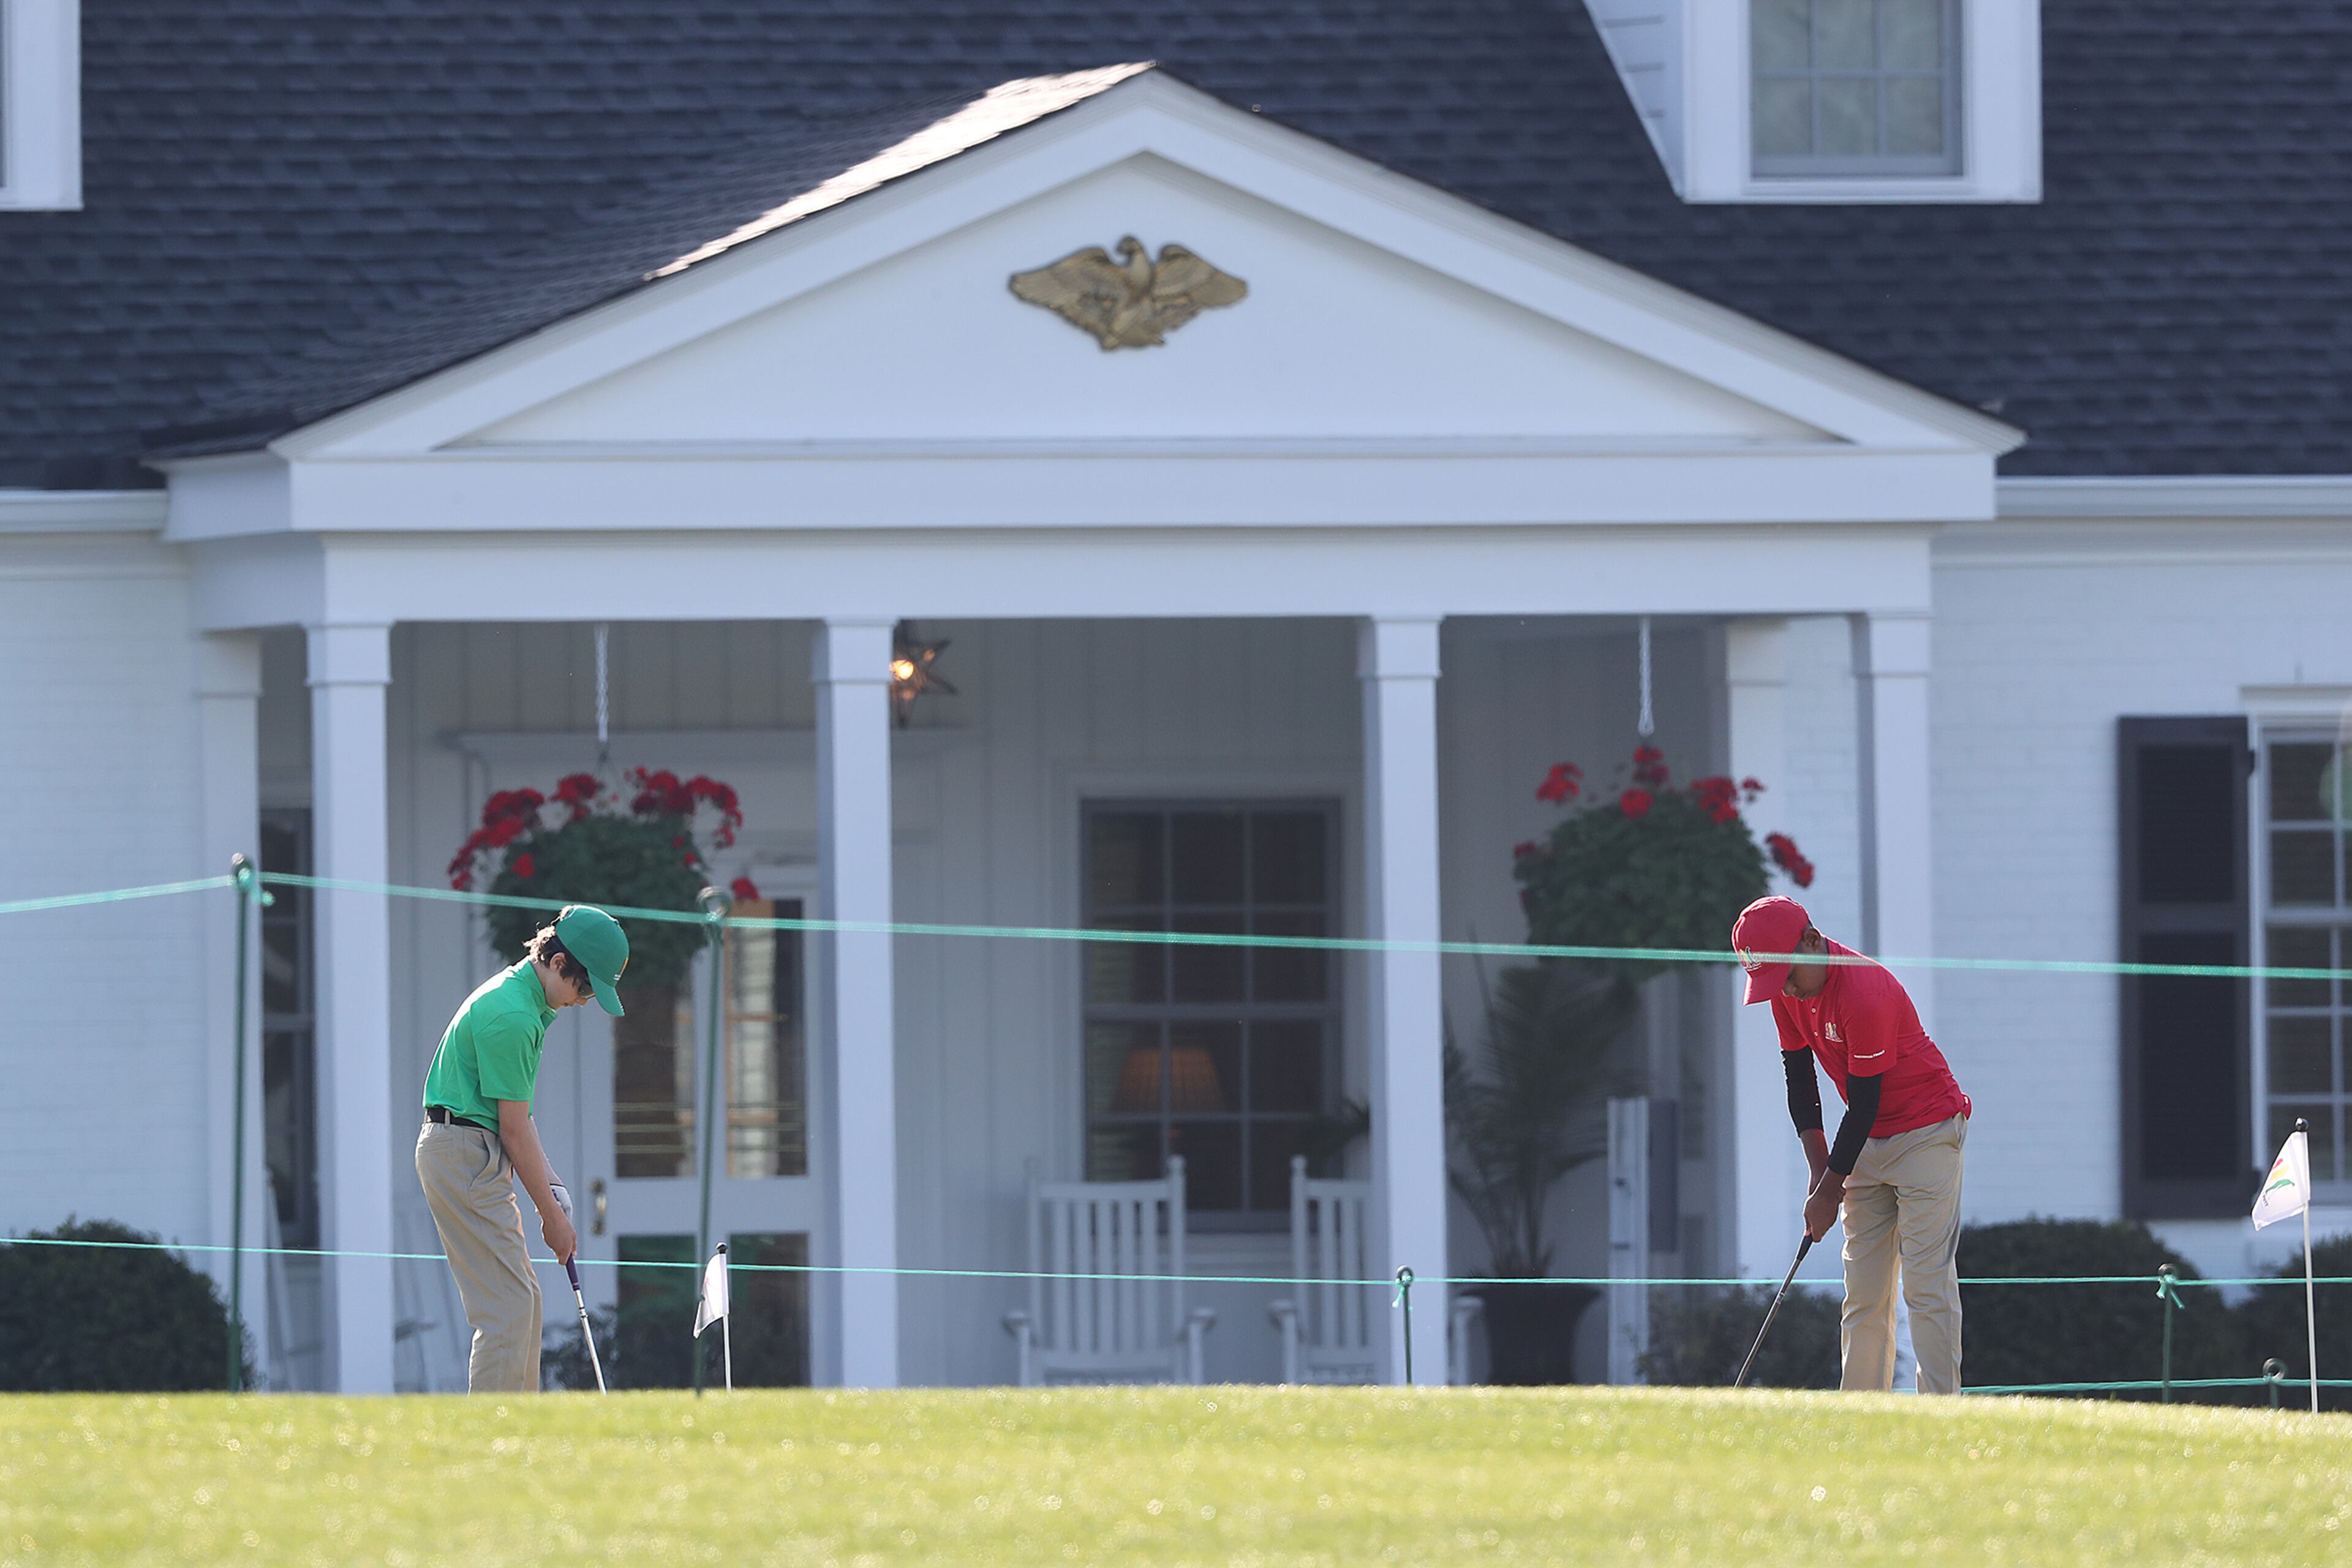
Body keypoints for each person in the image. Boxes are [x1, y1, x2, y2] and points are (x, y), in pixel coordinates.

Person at [1732, 894, 1972, 1393]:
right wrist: (1820, 1172)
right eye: (1775, 983)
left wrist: (1829, 1189)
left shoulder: (1865, 993)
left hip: (1927, 1133)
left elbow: (1863, 1104)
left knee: (1926, 1287)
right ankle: (1862, 1421)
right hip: (1866, 1139)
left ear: (1813, 942)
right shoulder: (1788, 993)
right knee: (1864, 1292)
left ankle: (1944, 1416)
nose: (1788, 992)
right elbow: (1799, 1080)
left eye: (1788, 977)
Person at [415, 904, 629, 1392]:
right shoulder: (512, 1016)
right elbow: (512, 1130)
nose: (585, 1001)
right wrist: (552, 1220)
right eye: (587, 987)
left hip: (472, 1147)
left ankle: (517, 1436)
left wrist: (551, 1187)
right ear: (557, 964)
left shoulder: (527, 1003)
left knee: (522, 1300)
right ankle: (497, 1445)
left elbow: (518, 1122)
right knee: (507, 1308)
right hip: (464, 1152)